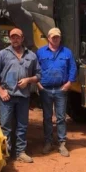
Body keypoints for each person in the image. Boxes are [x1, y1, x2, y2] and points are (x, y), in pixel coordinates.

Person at [0, 28, 41, 163]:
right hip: (7, 96)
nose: (15, 39)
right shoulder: (3, 54)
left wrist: (28, 80)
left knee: (22, 125)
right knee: (6, 125)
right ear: (9, 39)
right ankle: (6, 152)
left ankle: (20, 152)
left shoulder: (31, 56)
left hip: (23, 96)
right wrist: (1, 91)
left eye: (17, 37)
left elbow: (39, 75)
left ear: (22, 38)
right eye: (12, 37)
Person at [36, 27, 77, 157]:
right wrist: (38, 84)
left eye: (57, 37)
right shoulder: (40, 52)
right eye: (53, 37)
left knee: (61, 117)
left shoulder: (67, 52)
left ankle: (62, 143)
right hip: (45, 90)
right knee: (47, 118)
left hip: (61, 89)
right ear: (48, 38)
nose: (55, 39)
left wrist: (69, 83)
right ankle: (48, 142)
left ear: (60, 38)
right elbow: (34, 69)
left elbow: (73, 68)